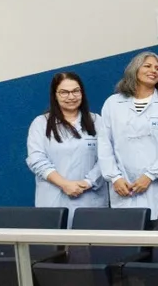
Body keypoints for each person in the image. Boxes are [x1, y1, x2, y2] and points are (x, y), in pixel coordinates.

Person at [97, 52, 158, 216]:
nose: (154, 71)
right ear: (134, 69)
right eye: (148, 66)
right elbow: (104, 144)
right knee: (130, 234)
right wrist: (115, 178)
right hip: (124, 185)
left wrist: (150, 175)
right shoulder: (113, 103)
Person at [26, 72, 106, 217]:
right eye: (64, 92)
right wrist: (64, 184)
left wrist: (88, 182)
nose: (71, 97)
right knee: (55, 239)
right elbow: (36, 160)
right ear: (55, 95)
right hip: (53, 200)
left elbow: (106, 157)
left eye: (76, 91)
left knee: (90, 238)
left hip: (91, 200)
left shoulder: (97, 121)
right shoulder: (41, 123)